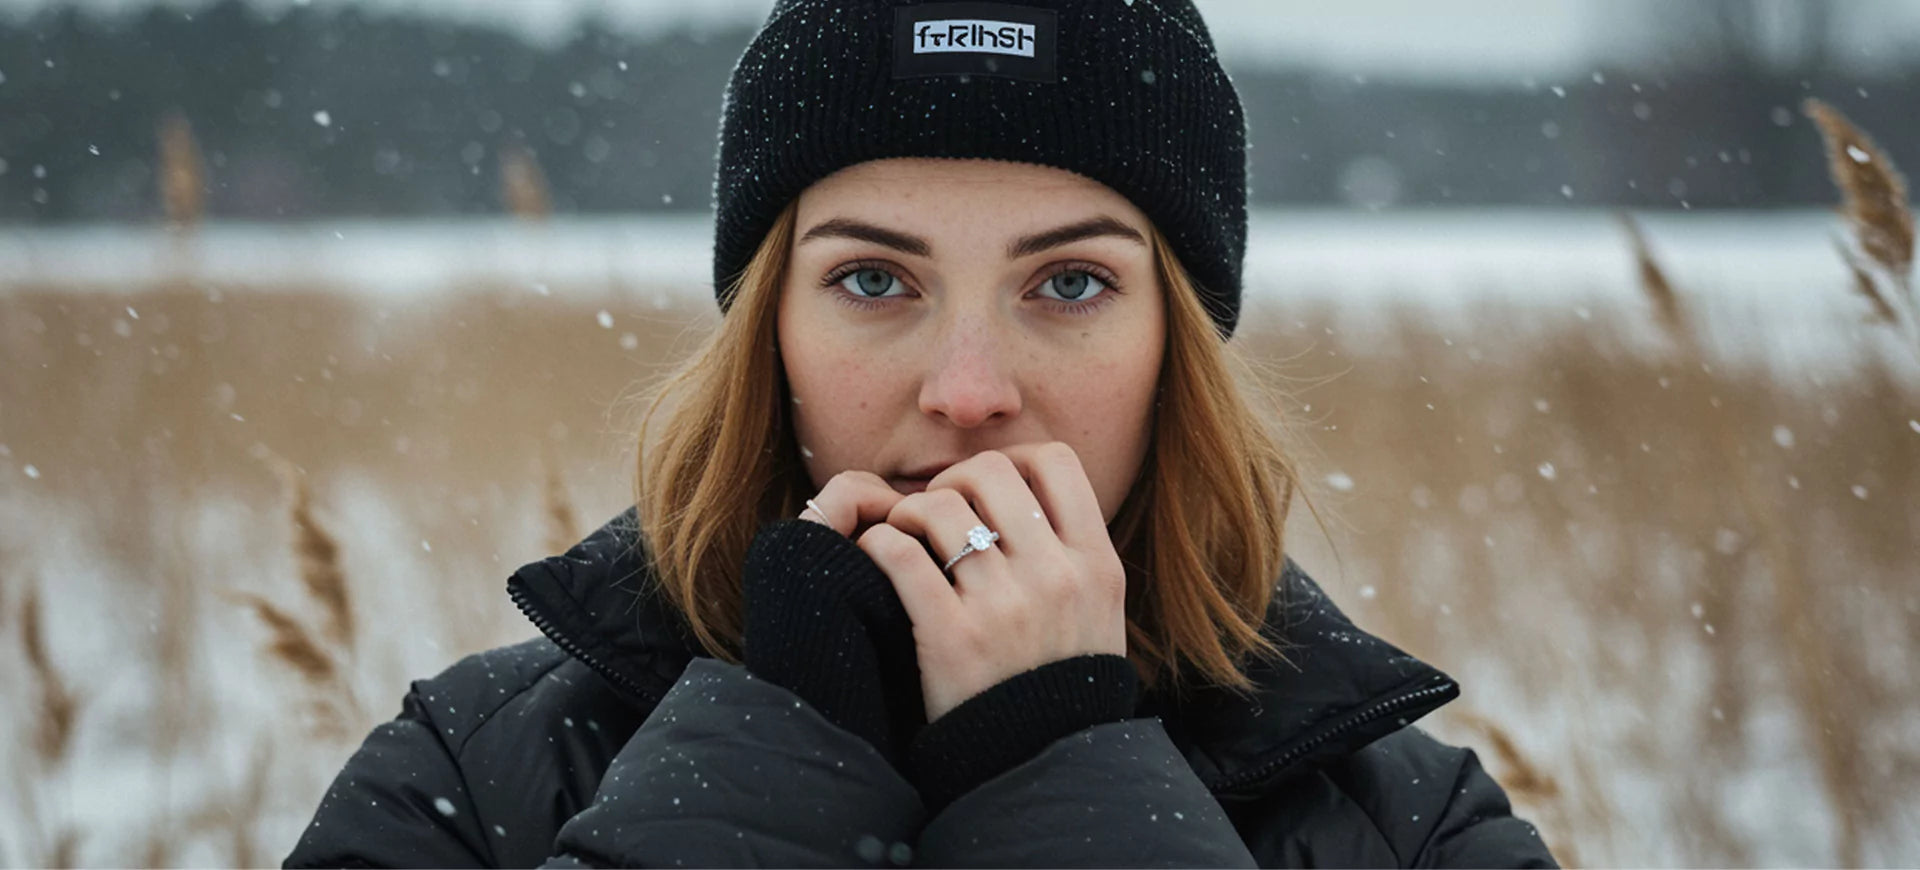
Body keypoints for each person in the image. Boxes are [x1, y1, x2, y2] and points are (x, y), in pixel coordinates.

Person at [285, 1, 1557, 867]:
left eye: (1068, 284)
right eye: (874, 281)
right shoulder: (475, 773)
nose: (966, 391)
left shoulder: (1407, 827)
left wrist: (1064, 767)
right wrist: (763, 767)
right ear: (767, 333)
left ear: (1177, 348)